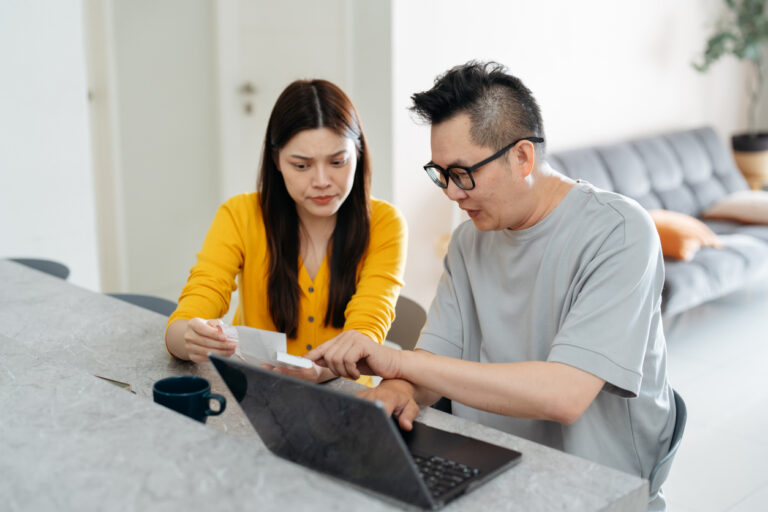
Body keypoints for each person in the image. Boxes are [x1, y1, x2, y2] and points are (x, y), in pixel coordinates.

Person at [306, 62, 676, 510]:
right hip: (486, 472)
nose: (451, 193)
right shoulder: (468, 241)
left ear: (522, 157)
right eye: (439, 173)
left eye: (462, 173)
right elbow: (434, 360)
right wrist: (399, 389)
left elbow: (563, 395)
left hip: (593, 490)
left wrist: (401, 363)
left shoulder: (619, 232)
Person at [165, 79, 407, 386]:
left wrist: (319, 371)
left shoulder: (385, 224)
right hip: (258, 394)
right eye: (302, 165)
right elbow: (193, 307)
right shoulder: (239, 216)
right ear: (276, 161)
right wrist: (189, 338)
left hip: (345, 398)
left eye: (337, 162)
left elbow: (366, 329)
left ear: (358, 153)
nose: (322, 180)